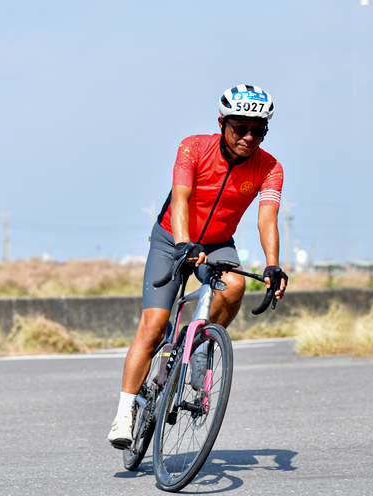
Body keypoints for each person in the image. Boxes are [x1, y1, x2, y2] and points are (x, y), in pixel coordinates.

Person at [108, 84, 288, 448]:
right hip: (172, 239)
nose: (249, 137)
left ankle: (201, 345)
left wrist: (273, 265)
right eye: (240, 128)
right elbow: (181, 197)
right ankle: (124, 412)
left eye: (258, 131)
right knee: (154, 327)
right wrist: (182, 243)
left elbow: (267, 218)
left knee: (235, 286)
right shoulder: (193, 147)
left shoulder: (270, 168)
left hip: (218, 244)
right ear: (222, 123)